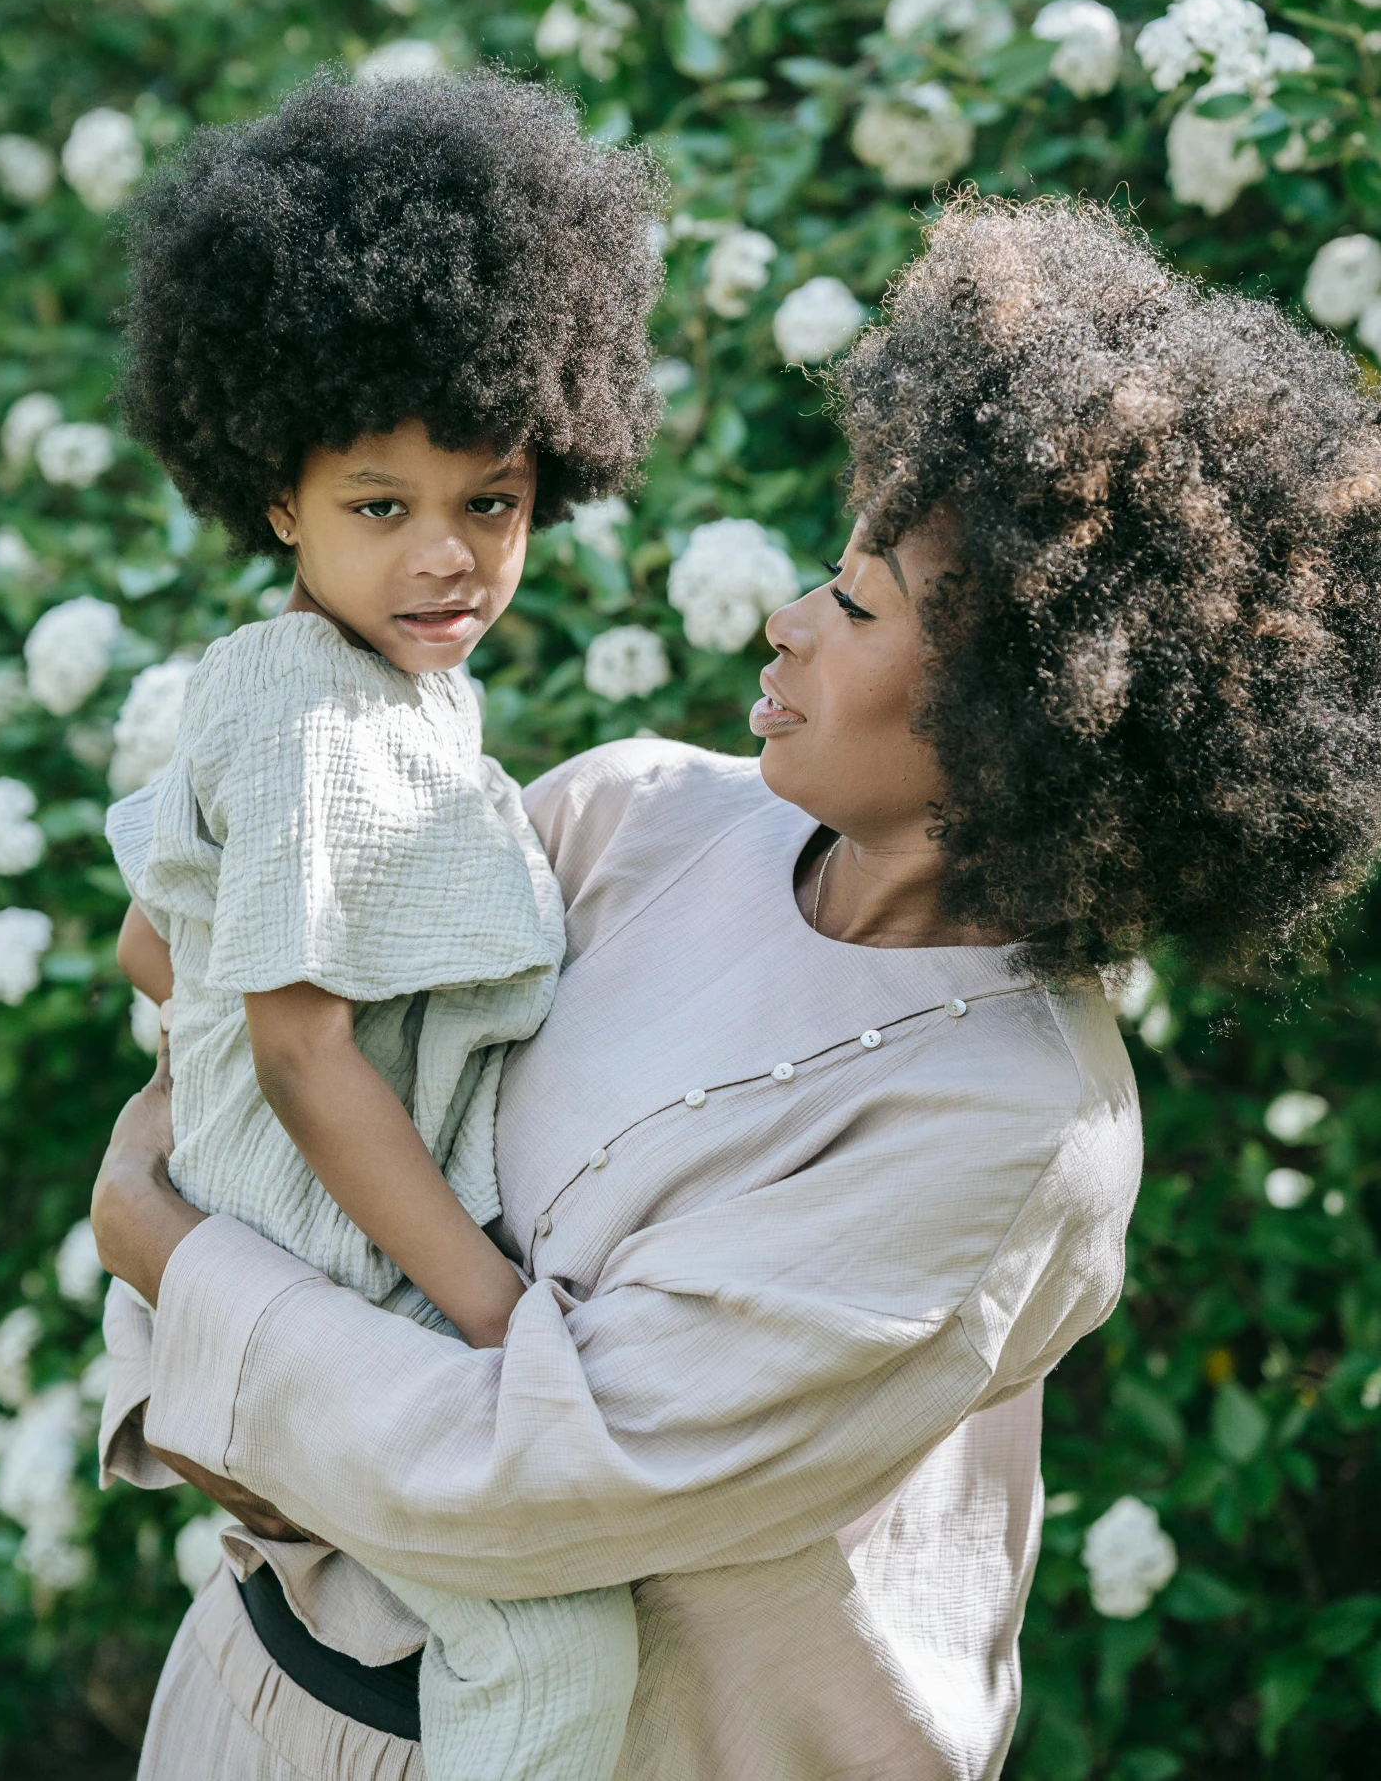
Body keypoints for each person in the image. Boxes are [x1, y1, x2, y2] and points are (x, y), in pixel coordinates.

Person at [94, 195, 1381, 1781]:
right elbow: (253, 1041)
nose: (785, 618)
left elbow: (534, 1482)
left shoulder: (1005, 1126)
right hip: (249, 1698)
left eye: (853, 604)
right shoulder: (632, 812)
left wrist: (165, 1251)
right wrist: (181, 1336)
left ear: (1026, 722)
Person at [104, 67, 663, 1781]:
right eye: (379, 506)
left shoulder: (333, 684)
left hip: (316, 1244)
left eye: (488, 501)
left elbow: (153, 938)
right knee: (558, 1641)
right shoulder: (316, 712)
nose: (447, 559)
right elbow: (293, 1042)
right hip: (341, 1268)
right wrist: (495, 1320)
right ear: (275, 495)